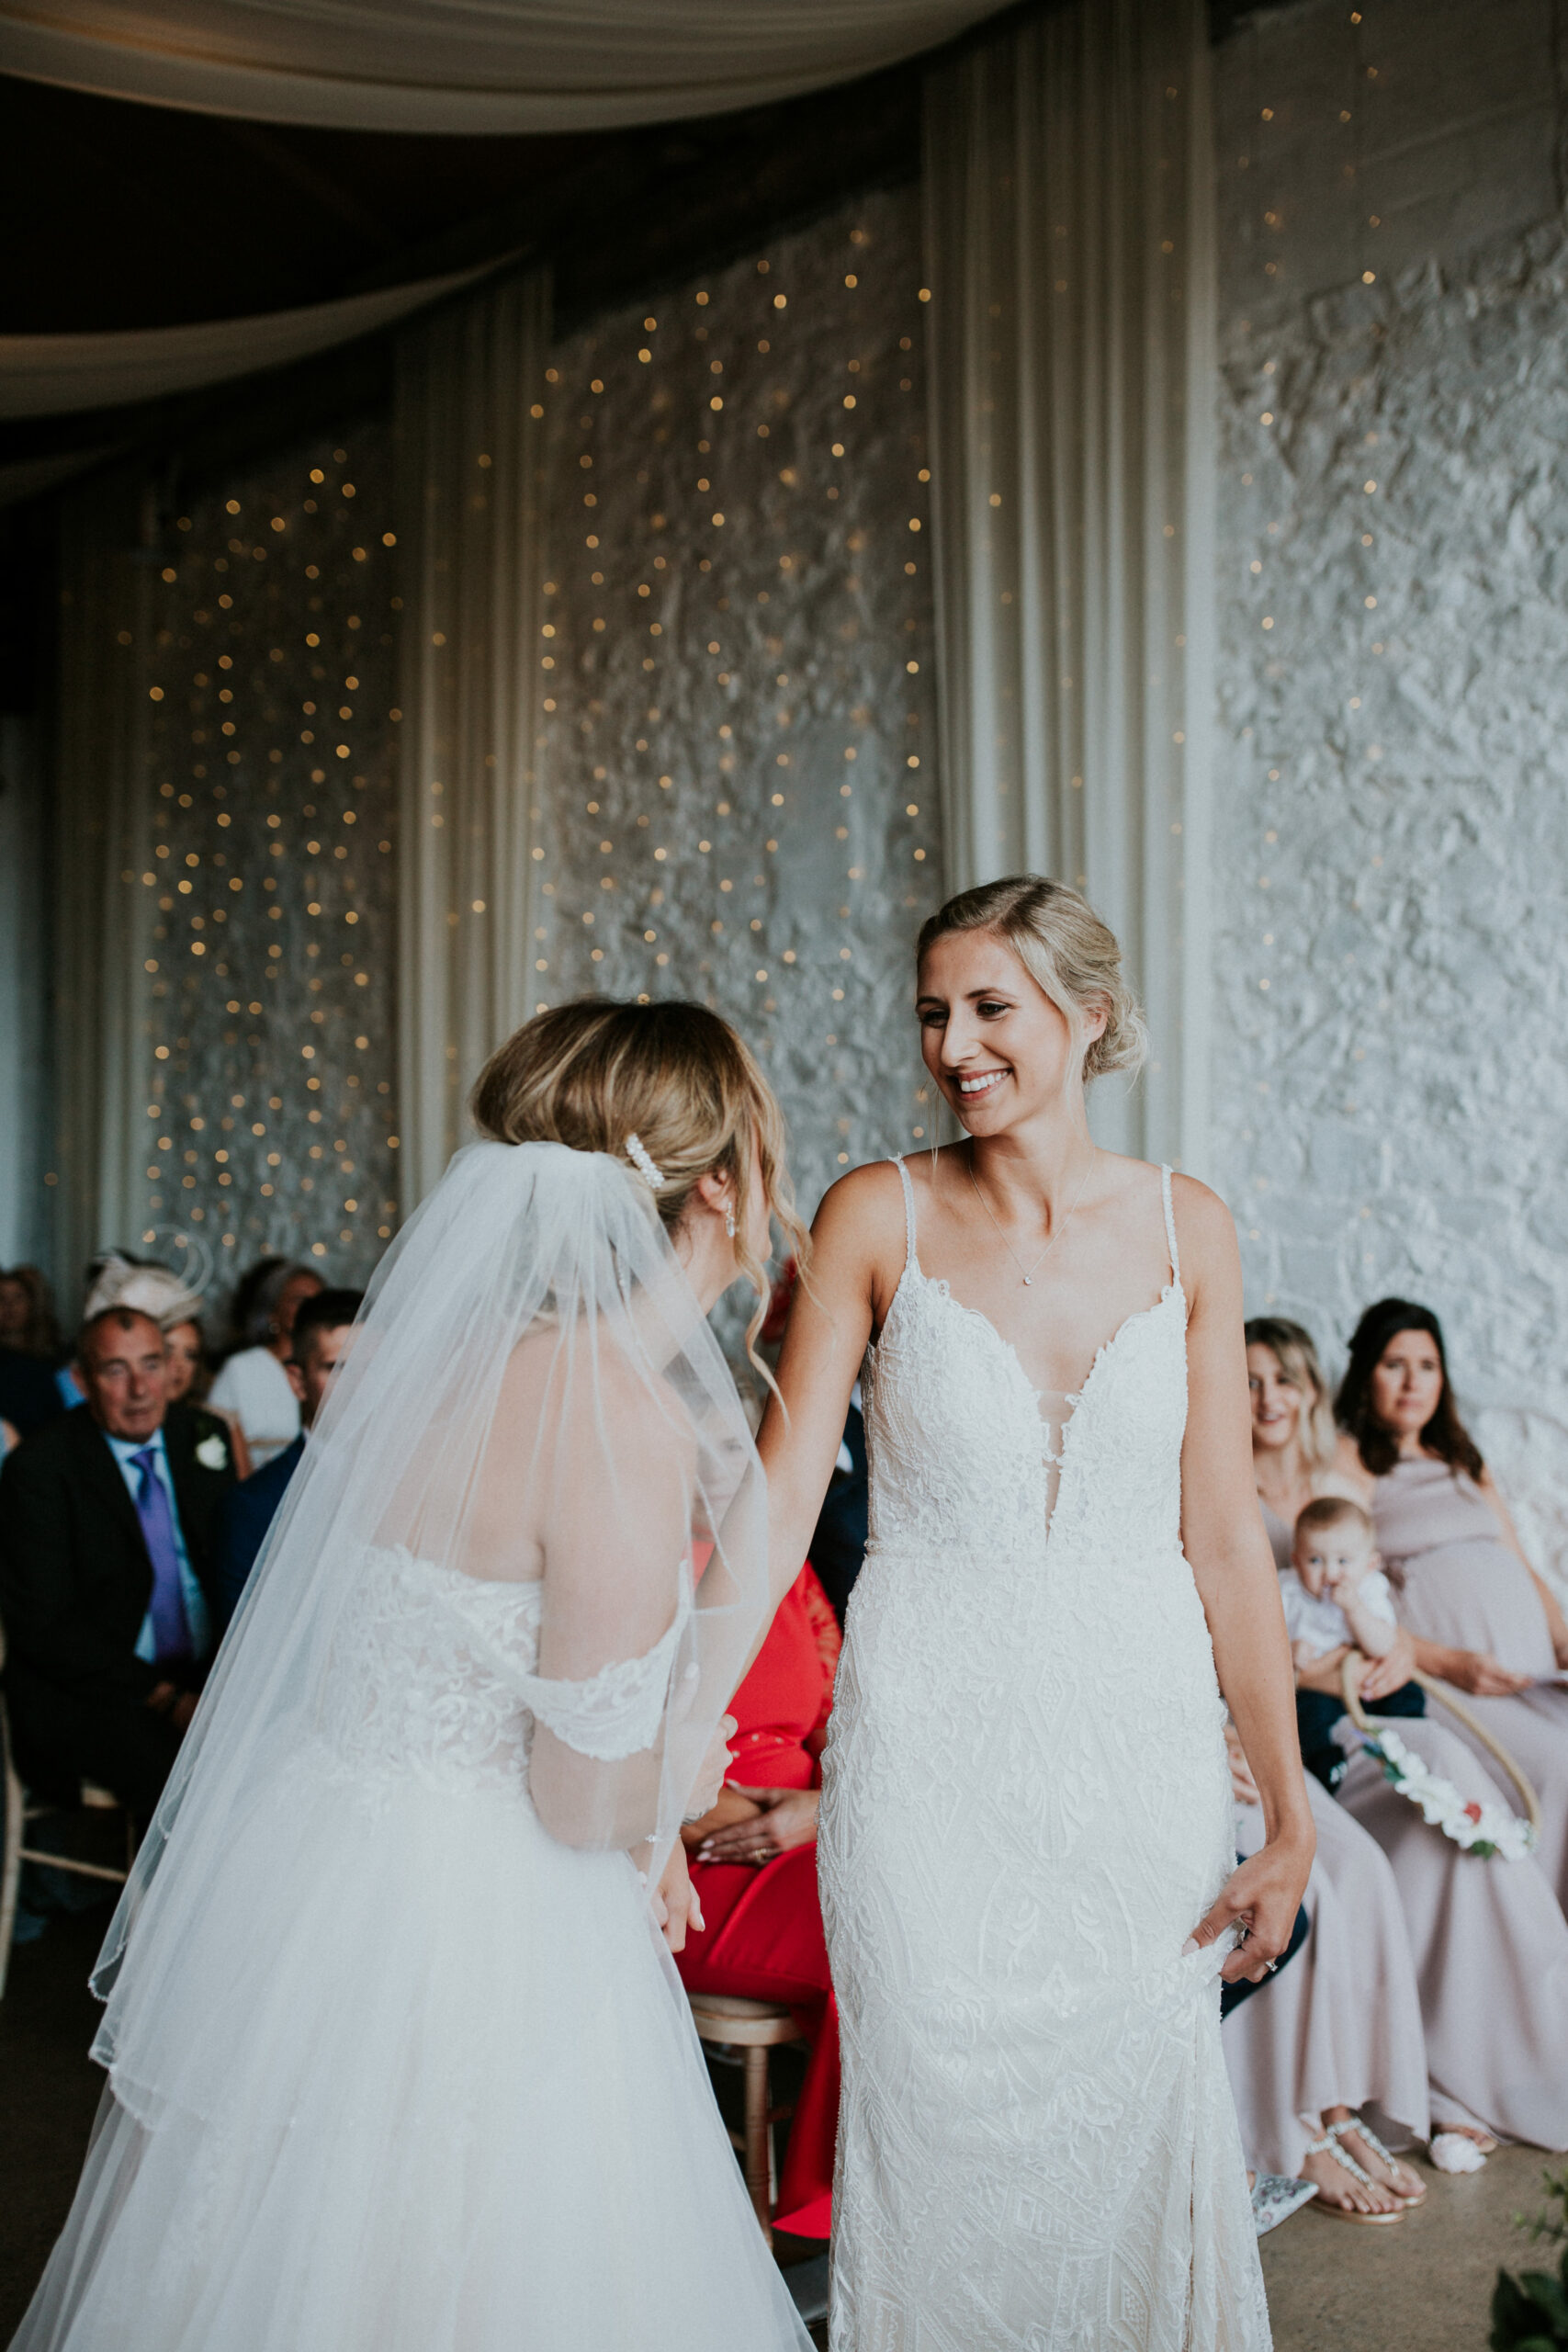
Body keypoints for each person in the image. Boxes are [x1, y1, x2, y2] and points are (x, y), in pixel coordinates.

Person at [10, 1001, 812, 2352]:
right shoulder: (618, 1414)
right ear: (721, 1189)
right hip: (484, 1923)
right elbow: (574, 1796)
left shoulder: (430, 1371)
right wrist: (674, 1785)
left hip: (319, 1872)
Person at [760, 875, 1311, 2349]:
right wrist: (664, 1744)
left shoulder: (1189, 1227)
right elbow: (767, 1515)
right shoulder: (871, 1211)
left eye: (989, 1008)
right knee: (929, 2135)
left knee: (1132, 2133)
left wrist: (1290, 1811)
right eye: (932, 1012)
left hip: (1136, 1762)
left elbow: (1220, 1537)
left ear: (1089, 1019)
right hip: (924, 1762)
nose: (952, 1044)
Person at [1248, 1316, 1568, 2159]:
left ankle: (1532, 2037)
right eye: (1248, 1382)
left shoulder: (1327, 1476)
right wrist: (1409, 1659)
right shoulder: (1277, 1483)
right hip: (1319, 1713)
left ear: (1310, 1389)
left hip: (1379, 1696)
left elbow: (1368, 1605)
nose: (1268, 1398)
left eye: (1283, 1379)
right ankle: (1455, 2066)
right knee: (1449, 1809)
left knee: (1467, 1803)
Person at [1334, 1296, 1568, 1916]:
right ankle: (1542, 1949)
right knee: (1556, 1769)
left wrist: (1564, 1638)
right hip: (1450, 1678)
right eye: (1394, 1364)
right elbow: (1347, 1587)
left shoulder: (1464, 1460)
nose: (1413, 1381)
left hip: (1527, 1667)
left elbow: (1517, 1559)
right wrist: (1445, 1663)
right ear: (1366, 1375)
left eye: (1427, 1365)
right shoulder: (1352, 1463)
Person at [0, 1306, 237, 1829]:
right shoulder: (40, 1469)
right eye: (115, 1370)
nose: (140, 1389)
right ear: (82, 1381)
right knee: (192, 1775)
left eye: (152, 1365)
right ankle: (167, 1911)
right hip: (93, 1690)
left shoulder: (200, 1434)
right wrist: (169, 1699)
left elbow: (233, 1566)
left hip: (201, 1673)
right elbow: (47, 1627)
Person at [678, 1557, 841, 2241]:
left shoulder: (784, 1559)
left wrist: (828, 1803)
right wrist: (712, 1817)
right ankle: (839, 2200)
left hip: (819, 1831)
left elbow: (843, 1709)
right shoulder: (618, 1532)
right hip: (691, 1866)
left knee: (920, 1897)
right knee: (877, 1936)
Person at [215, 1287, 363, 1619]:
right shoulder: (252, 1505)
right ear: (297, 1381)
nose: (363, 1383)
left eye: (374, 1365)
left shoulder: (425, 1483)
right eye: (338, 1368)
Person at [208, 1257, 323, 1466]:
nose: (311, 1307)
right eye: (298, 1300)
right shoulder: (241, 1369)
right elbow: (214, 1439)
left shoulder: (331, 1367)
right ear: (272, 1312)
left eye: (318, 1299)